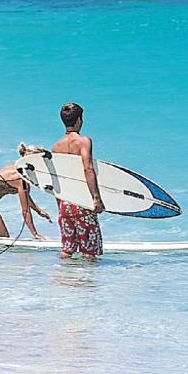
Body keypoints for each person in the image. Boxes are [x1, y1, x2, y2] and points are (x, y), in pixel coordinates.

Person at [51, 103, 105, 258]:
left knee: (67, 249)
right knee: (89, 250)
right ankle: (85, 275)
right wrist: (96, 197)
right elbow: (88, 168)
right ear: (79, 120)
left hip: (65, 202)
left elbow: (56, 178)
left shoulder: (56, 147)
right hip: (82, 202)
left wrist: (59, 204)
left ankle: (62, 272)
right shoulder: (84, 141)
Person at [0, 143, 51, 240]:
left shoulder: (17, 166)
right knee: (2, 236)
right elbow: (25, 211)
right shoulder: (21, 178)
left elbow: (25, 197)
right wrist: (35, 234)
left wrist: (38, 210)